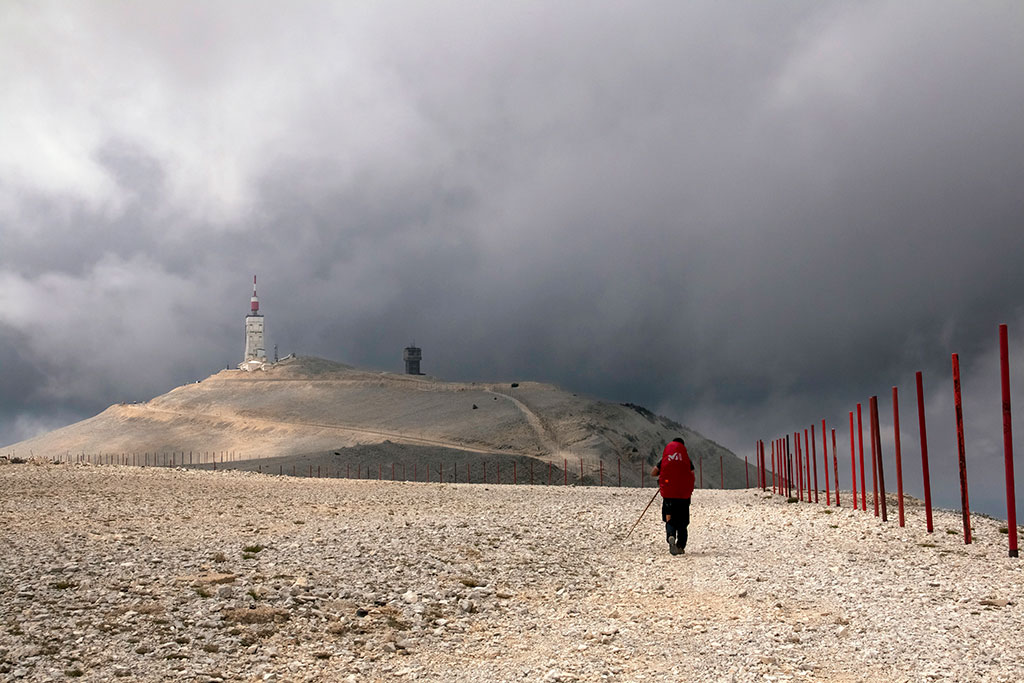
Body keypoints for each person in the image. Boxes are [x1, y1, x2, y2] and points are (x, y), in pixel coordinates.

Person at [650, 437, 695, 555]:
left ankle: (671, 537)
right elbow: (692, 475)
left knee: (670, 520)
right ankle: (680, 546)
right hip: (684, 496)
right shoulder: (687, 460)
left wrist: (664, 476)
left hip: (669, 495)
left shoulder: (664, 459)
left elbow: (653, 473)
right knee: (683, 522)